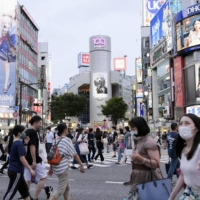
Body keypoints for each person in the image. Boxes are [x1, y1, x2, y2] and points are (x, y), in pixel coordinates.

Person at [124, 117, 161, 199]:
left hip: (147, 179)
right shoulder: (140, 140)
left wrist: (141, 159)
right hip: (139, 178)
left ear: (140, 128)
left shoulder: (149, 142)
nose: (131, 130)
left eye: (133, 128)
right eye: (131, 128)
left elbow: (157, 163)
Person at [48, 123, 85, 200]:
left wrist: (51, 167)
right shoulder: (67, 140)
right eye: (67, 128)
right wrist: (81, 165)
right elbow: (74, 154)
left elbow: (52, 154)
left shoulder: (55, 140)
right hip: (62, 167)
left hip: (55, 165)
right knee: (61, 189)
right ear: (65, 129)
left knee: (67, 187)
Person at [169, 114, 200, 200]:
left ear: (196, 129)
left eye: (187, 123)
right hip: (188, 192)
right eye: (181, 123)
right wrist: (171, 197)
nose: (183, 127)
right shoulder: (183, 150)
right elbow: (183, 176)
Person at [3, 125, 35, 200]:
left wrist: (26, 144)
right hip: (16, 171)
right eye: (24, 132)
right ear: (19, 133)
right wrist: (30, 169)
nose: (25, 134)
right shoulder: (19, 144)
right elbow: (22, 158)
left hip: (15, 170)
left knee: (25, 192)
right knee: (10, 192)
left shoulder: (15, 142)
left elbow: (23, 154)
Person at [24, 115, 47, 200]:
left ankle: (26, 197)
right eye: (40, 123)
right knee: (43, 178)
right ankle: (35, 197)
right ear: (35, 123)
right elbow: (32, 146)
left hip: (26, 160)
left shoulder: (26, 132)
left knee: (27, 180)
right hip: (35, 159)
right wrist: (34, 161)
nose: (40, 125)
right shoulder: (33, 132)